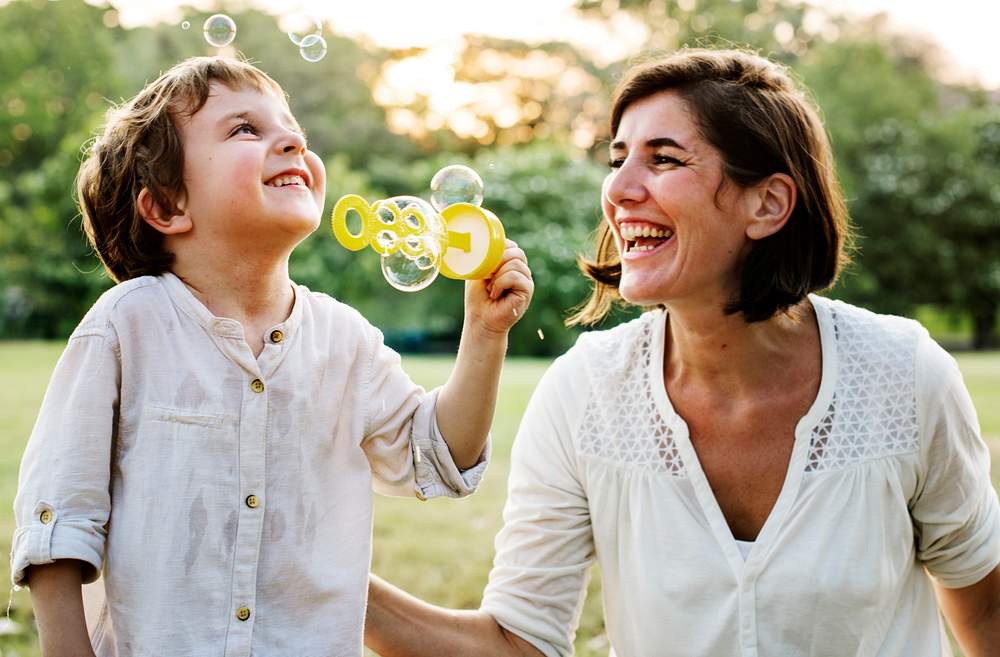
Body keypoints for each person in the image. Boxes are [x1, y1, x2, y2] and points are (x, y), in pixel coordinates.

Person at [364, 48, 1000, 657]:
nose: (618, 191)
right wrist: (313, 572)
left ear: (769, 203)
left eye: (663, 159)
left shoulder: (904, 377)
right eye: (618, 160)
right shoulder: (583, 391)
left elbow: (987, 608)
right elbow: (518, 645)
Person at [11, 56, 533, 657]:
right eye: (244, 130)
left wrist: (485, 333)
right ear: (167, 208)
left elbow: (440, 454)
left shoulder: (345, 338)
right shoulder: (127, 326)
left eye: (294, 132)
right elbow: (59, 521)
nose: (291, 141)